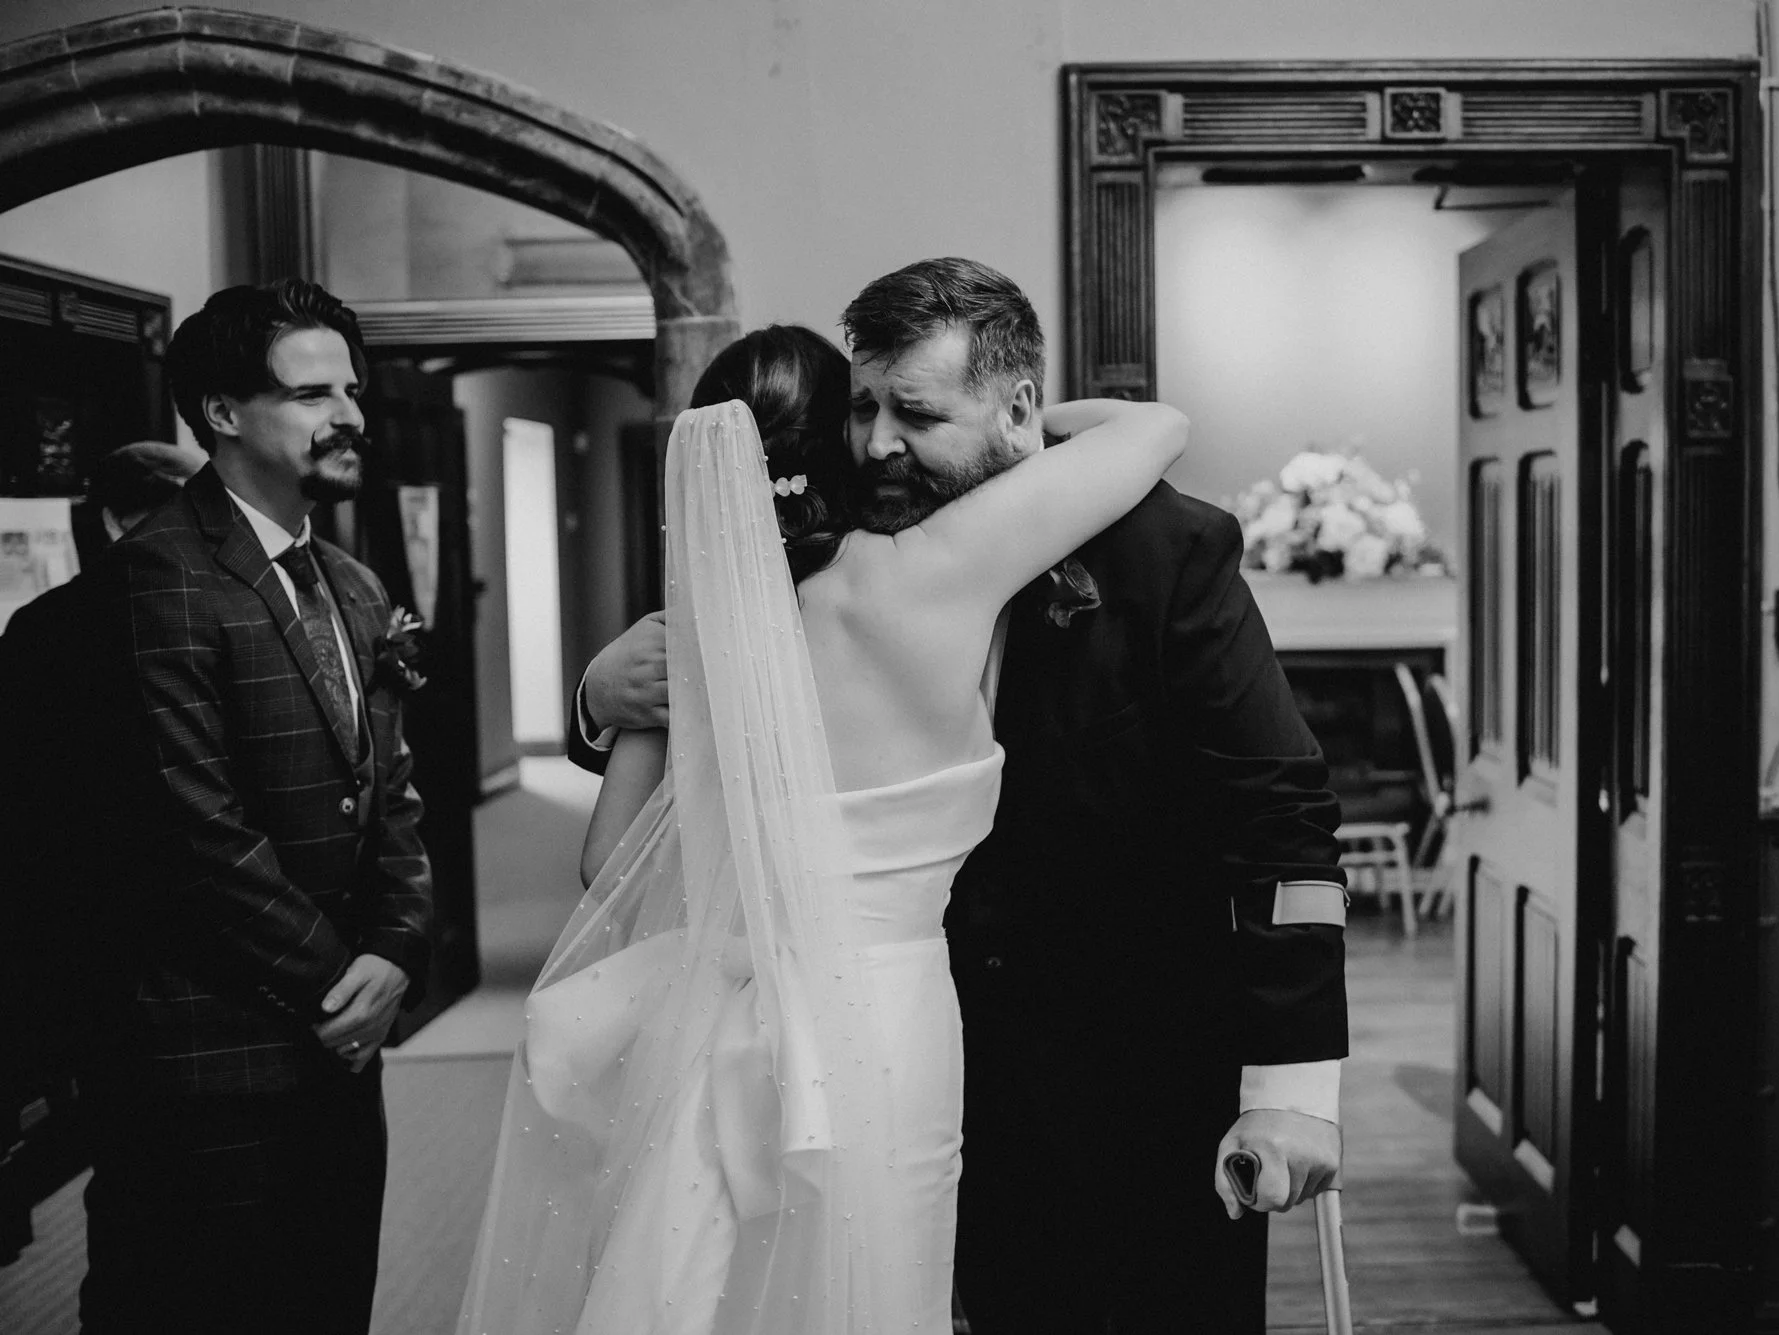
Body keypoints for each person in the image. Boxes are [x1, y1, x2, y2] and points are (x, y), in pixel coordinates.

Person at [574, 258, 1349, 1333]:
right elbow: (722, 765)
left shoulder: (1160, 549)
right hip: (896, 1075)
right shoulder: (835, 554)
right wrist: (597, 699)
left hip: (1126, 1082)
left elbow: (1282, 817)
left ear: (1019, 405)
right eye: (863, 408)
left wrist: (1291, 1091)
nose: (877, 443)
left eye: (915, 412)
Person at [459, 319, 1188, 1333]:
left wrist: (601, 692)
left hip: (720, 1024)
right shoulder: (931, 574)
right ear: (847, 447)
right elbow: (1151, 427)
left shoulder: (691, 635)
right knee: (881, 1280)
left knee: (730, 1289)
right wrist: (999, 419)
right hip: (886, 1018)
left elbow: (607, 864)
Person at [73, 279, 434, 1334]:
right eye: (314, 392)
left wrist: (402, 944)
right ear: (224, 414)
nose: (351, 415)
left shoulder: (356, 588)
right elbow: (193, 829)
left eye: (352, 390)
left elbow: (392, 795)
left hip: (340, 1053)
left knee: (330, 1304)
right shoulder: (158, 577)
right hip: (209, 1053)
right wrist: (336, 984)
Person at [0, 437, 206, 1260]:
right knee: (135, 1182)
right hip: (99, 924)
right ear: (121, 521)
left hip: (185, 924)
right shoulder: (53, 626)